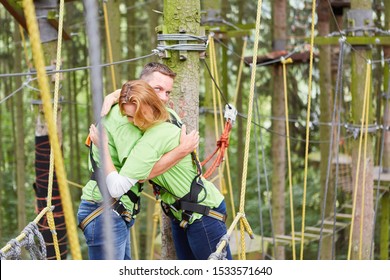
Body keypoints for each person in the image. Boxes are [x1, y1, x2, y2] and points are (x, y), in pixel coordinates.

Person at [90, 80, 232, 260]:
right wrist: (113, 95)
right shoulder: (167, 115)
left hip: (201, 214)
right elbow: (142, 92)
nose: (131, 122)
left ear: (147, 107)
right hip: (184, 213)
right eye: (128, 116)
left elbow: (117, 188)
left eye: (134, 116)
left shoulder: (152, 139)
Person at [77, 63, 199, 260]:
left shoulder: (133, 108)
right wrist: (181, 150)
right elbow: (141, 172)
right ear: (141, 86)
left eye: (167, 92)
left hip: (114, 210)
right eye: (157, 89)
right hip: (105, 210)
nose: (163, 98)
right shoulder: (128, 118)